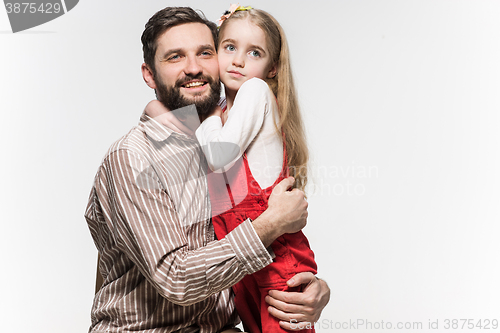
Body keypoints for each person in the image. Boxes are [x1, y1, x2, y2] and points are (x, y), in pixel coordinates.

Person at [85, 6, 329, 333]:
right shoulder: (133, 157)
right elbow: (177, 280)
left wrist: (308, 286)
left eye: (205, 52)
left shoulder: (225, 146)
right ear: (149, 74)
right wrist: (272, 223)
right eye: (175, 57)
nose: (193, 68)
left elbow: (252, 248)